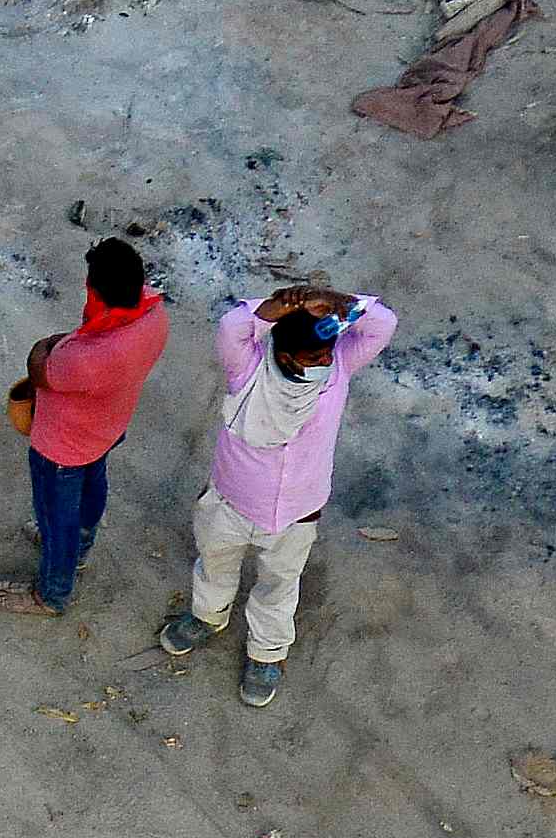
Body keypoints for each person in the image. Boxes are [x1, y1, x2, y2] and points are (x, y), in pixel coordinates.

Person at [158, 281, 396, 705]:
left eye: (325, 354)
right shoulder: (247, 367)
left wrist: (332, 300)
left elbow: (383, 323)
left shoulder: (338, 366)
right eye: (313, 357)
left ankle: (267, 653)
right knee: (215, 564)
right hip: (229, 501)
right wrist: (280, 304)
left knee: (280, 584)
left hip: (298, 512)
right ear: (283, 354)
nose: (323, 362)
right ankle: (207, 616)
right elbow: (234, 324)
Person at [6, 237, 173, 618]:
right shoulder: (154, 318)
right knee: (93, 485)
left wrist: (47, 343)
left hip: (62, 446)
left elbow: (40, 369)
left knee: (55, 518)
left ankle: (51, 593)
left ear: (95, 289)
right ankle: (80, 548)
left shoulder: (85, 357)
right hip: (107, 429)